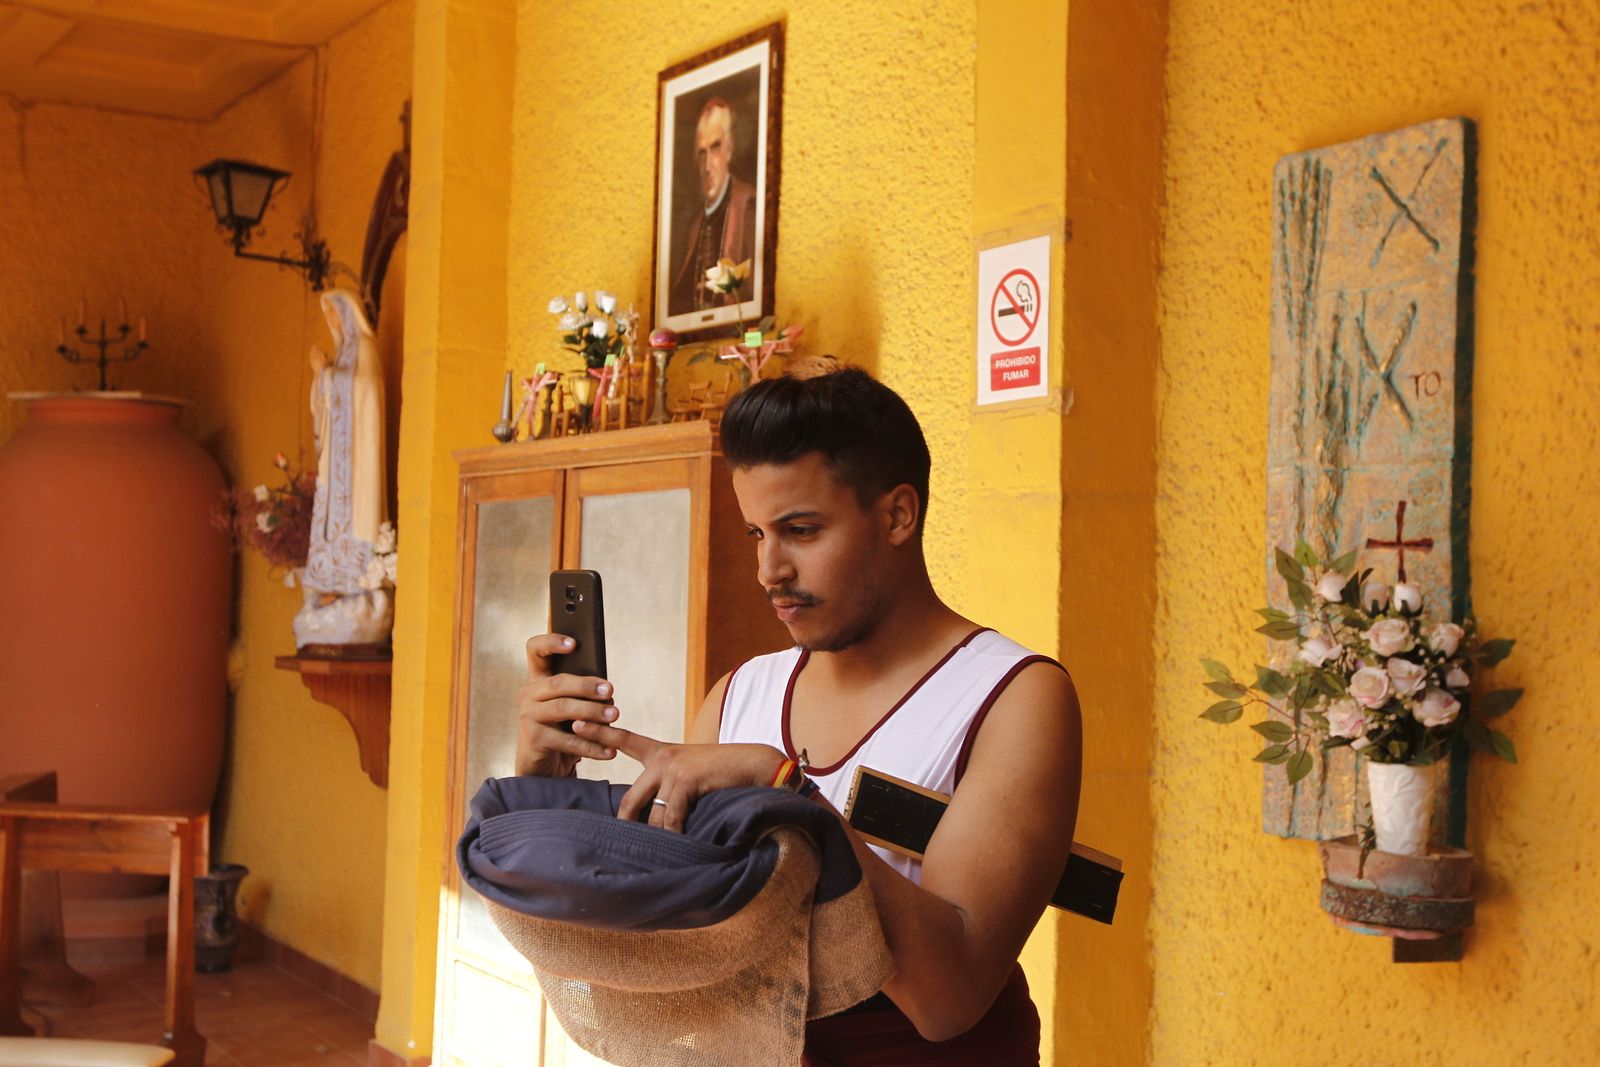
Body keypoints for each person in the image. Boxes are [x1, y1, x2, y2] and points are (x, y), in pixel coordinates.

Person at [516, 368, 1081, 1064]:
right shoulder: (739, 693)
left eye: (801, 530)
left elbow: (950, 998)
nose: (768, 569)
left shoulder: (1012, 696)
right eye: (757, 532)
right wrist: (546, 789)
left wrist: (786, 788)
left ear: (898, 514)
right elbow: (680, 951)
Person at [294, 288, 393, 649]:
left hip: (356, 465)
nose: (331, 321)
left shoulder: (364, 350)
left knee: (356, 522)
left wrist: (325, 373)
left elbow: (363, 386)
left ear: (348, 313)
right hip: (338, 466)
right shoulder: (345, 353)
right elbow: (329, 405)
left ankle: (356, 586)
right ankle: (337, 586)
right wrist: (325, 377)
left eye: (334, 314)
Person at [669, 96, 758, 315]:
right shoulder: (694, 224)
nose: (707, 166)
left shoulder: (748, 204)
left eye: (715, 148)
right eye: (701, 153)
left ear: (729, 149)